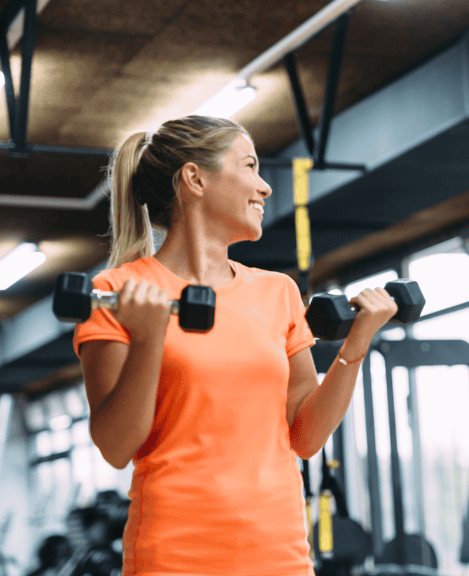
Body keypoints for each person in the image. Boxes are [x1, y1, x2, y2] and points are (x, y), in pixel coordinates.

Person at [73, 115, 397, 575]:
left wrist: (356, 346)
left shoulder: (277, 291)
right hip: (175, 556)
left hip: (278, 553)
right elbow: (116, 446)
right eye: (250, 166)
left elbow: (305, 437)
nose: (265, 187)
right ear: (195, 179)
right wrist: (148, 340)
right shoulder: (121, 291)